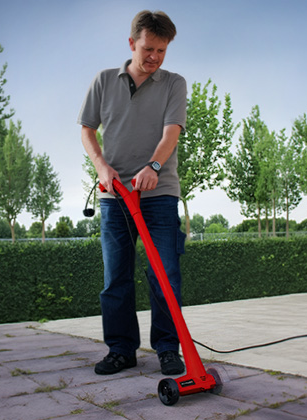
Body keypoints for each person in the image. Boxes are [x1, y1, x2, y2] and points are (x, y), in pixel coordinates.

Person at [78, 10, 187, 376]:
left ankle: (168, 349)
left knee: (165, 274)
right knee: (116, 278)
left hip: (159, 194)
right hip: (115, 196)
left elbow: (171, 133)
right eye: (148, 48)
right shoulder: (104, 80)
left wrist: (153, 167)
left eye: (161, 50)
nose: (154, 56)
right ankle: (121, 350)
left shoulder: (174, 83)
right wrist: (102, 168)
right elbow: (87, 130)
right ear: (131, 43)